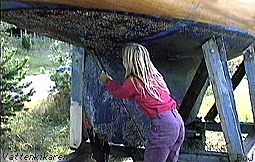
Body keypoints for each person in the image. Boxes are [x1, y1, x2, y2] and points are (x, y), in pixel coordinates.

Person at [99, 43, 185, 162]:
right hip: (177, 121)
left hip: (165, 125)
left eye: (124, 58)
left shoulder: (134, 82)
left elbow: (121, 93)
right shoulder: (155, 76)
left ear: (128, 61)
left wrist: (108, 81)